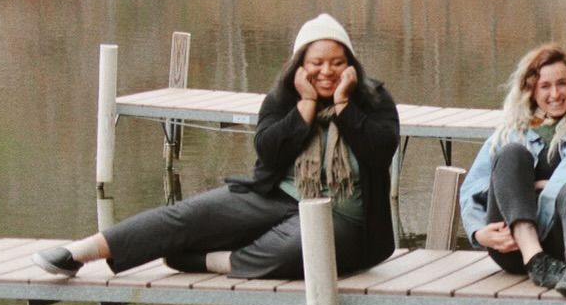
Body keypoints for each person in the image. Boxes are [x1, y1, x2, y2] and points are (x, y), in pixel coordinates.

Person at [32, 14, 400, 281]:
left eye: (337, 63)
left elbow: (380, 152)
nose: (327, 72)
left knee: (299, 249)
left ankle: (211, 261)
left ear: (351, 65)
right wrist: (304, 108)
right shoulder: (284, 99)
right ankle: (79, 253)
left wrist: (345, 106)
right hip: (279, 198)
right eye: (316, 63)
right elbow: (269, 153)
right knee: (188, 214)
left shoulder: (373, 101)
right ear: (299, 66)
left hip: (348, 220)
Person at [458, 44, 566, 299]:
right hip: (519, 251)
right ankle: (536, 260)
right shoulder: (512, 131)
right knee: (511, 155)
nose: (555, 94)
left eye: (562, 84)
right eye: (545, 86)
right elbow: (473, 187)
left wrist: (526, 189)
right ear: (531, 91)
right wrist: (479, 234)